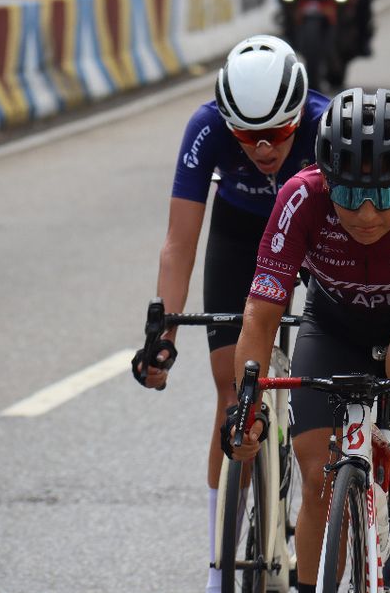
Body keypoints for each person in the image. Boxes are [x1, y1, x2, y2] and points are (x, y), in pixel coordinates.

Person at [229, 87, 390, 589]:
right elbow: (260, 318)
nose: (367, 214)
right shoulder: (299, 198)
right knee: (317, 480)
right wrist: (249, 411)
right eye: (349, 194)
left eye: (385, 196)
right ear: (326, 182)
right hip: (334, 326)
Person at [131, 34, 329, 593]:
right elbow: (179, 244)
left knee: (325, 371)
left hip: (315, 233)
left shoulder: (323, 124)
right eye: (249, 136)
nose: (264, 149)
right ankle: (219, 564)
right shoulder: (206, 127)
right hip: (241, 232)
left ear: (300, 116)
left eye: (278, 135)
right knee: (229, 388)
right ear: (227, 121)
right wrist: (162, 336)